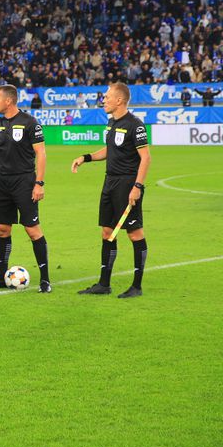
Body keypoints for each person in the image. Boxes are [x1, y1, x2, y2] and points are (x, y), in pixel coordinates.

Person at [71, 82, 151, 298]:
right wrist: (86, 157)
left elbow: (146, 158)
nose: (103, 100)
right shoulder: (111, 122)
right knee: (107, 232)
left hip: (127, 184)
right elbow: (109, 149)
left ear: (119, 100)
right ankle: (104, 284)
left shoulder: (135, 125)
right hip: (110, 182)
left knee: (134, 233)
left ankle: (136, 286)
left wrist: (137, 186)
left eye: (107, 97)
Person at [0, 85, 51, 292]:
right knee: (2, 229)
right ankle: (1, 277)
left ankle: (45, 280)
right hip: (3, 182)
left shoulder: (29, 122)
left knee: (32, 229)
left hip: (25, 182)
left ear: (8, 101)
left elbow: (41, 153)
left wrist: (39, 183)